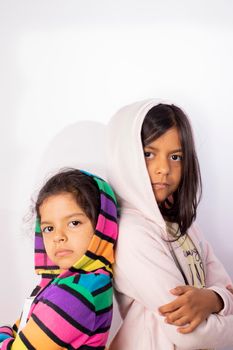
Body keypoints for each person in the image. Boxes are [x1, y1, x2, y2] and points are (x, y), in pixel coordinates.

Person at [106, 99, 233, 350]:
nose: (164, 169)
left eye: (175, 157)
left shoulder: (184, 227)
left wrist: (213, 299)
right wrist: (223, 304)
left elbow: (226, 288)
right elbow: (190, 336)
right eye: (149, 154)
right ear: (125, 156)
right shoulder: (132, 233)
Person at [0, 169, 118, 349]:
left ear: (100, 225)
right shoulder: (73, 283)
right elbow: (22, 327)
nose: (58, 237)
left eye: (74, 223)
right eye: (49, 228)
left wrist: (4, 333)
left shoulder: (76, 294)